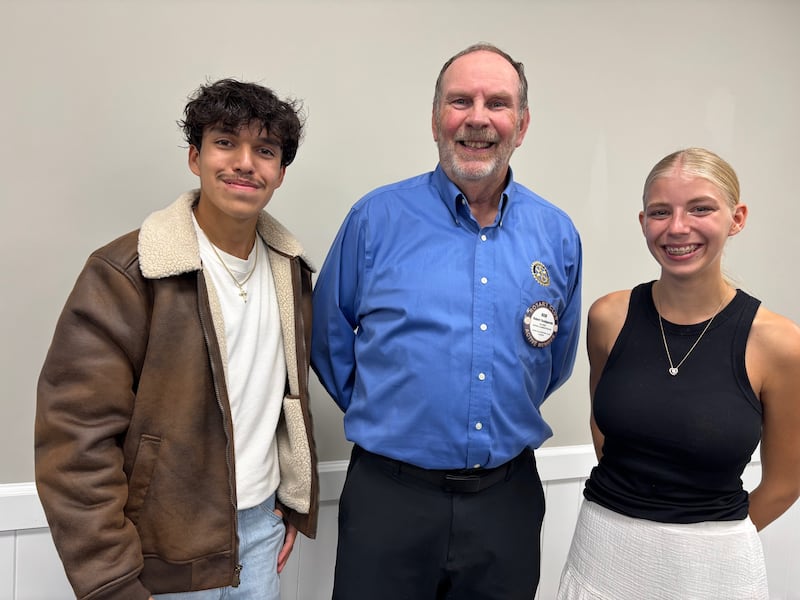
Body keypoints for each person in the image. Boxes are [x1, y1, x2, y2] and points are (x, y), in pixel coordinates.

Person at [312, 43, 583, 599]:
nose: (478, 118)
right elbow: (327, 338)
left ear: (522, 124)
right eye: (461, 101)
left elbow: (553, 360)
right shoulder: (374, 219)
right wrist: (393, 408)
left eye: (498, 103)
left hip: (506, 504)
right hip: (390, 499)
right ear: (437, 119)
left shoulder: (556, 235)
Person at [35, 79, 319, 600]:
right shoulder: (125, 274)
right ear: (195, 157)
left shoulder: (292, 273)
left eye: (265, 150)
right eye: (225, 142)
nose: (244, 162)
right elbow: (74, 439)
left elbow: (284, 404)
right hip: (159, 551)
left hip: (259, 537)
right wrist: (111, 580)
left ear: (280, 173)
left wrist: (292, 502)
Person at [557, 147, 800, 599]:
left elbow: (786, 481)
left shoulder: (779, 343)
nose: (677, 228)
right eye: (660, 212)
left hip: (717, 573)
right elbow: (604, 424)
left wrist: (706, 541)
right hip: (601, 555)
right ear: (643, 222)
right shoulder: (609, 317)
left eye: (701, 208)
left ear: (737, 218)